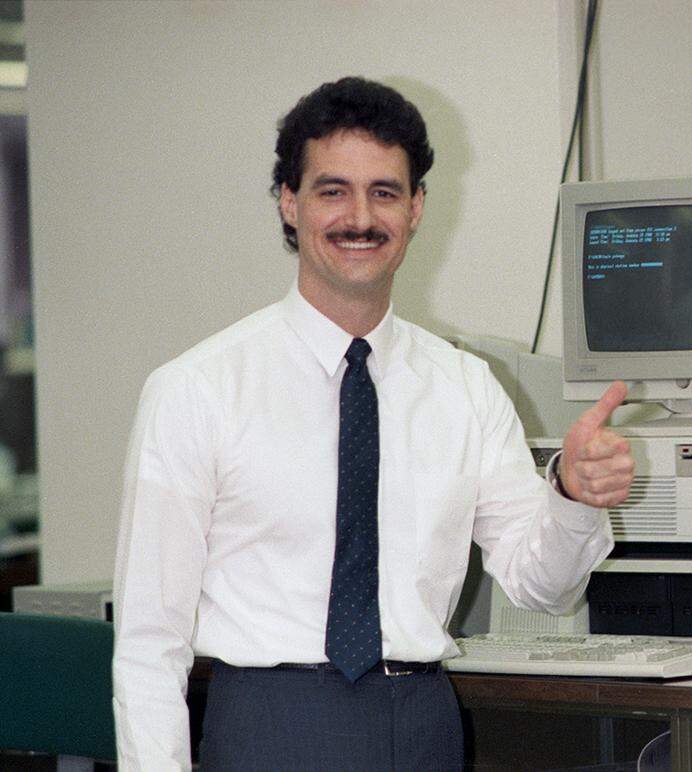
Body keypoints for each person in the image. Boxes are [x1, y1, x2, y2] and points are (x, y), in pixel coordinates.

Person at [112, 76, 634, 771]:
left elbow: (544, 587)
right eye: (333, 190)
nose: (361, 217)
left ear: (416, 208)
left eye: (384, 192)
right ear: (288, 203)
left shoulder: (465, 388)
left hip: (424, 724)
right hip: (270, 727)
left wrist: (572, 496)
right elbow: (150, 641)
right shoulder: (198, 389)